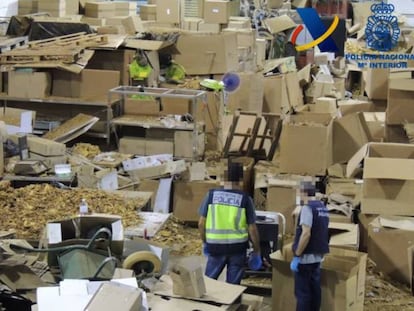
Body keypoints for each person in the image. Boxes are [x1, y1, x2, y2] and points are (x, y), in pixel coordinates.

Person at [198, 162, 261, 285]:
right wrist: (257, 250)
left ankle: (207, 303)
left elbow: (201, 223)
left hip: (215, 246)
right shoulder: (245, 199)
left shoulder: (211, 196)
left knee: (209, 283)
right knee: (233, 287)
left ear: (225, 178)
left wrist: (205, 241)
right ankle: (232, 303)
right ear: (241, 180)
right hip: (238, 248)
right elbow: (252, 229)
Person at [290, 183, 330, 311]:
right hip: (318, 257)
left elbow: (306, 234)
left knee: (303, 294)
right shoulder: (322, 207)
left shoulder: (307, 208)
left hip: (305, 257)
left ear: (303, 193)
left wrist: (297, 255)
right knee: (315, 291)